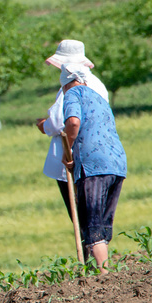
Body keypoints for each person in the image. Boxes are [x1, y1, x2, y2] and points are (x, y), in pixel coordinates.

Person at [60, 63, 127, 274]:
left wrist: (67, 150)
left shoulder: (72, 94)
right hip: (116, 162)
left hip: (93, 164)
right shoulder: (99, 97)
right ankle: (103, 270)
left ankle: (104, 275)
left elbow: (73, 122)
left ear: (65, 84)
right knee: (104, 222)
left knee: (92, 222)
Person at [37, 40, 109, 220]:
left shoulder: (71, 86)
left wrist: (44, 125)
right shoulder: (98, 84)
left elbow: (59, 122)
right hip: (99, 153)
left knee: (81, 217)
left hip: (74, 157)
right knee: (97, 216)